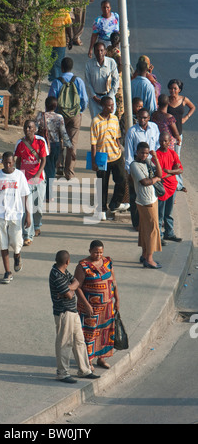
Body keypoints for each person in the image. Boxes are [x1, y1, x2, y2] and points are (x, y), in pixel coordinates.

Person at [49, 249, 99, 383]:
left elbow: (76, 283)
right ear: (67, 261)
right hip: (64, 312)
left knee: (79, 341)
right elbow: (70, 294)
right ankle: (62, 373)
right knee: (65, 343)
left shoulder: (63, 272)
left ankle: (84, 370)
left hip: (73, 311)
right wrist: (70, 289)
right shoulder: (56, 274)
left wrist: (68, 288)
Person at [74, 240, 120, 370]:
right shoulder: (83, 266)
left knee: (105, 332)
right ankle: (88, 360)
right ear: (90, 251)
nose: (98, 255)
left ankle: (102, 358)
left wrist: (117, 299)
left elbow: (114, 281)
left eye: (100, 252)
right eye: (95, 252)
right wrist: (86, 305)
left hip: (107, 306)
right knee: (89, 334)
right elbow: (77, 287)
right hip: (90, 308)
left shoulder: (107, 262)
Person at [0, 151, 31, 284]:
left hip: (16, 214)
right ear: (2, 162)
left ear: (14, 162)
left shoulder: (19, 176)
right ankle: (7, 272)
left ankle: (17, 255)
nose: (7, 165)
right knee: (3, 243)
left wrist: (28, 214)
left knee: (17, 242)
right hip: (0, 215)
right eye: (5, 162)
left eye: (10, 162)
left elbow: (26, 195)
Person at [48, 57, 88, 180]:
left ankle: (58, 166)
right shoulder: (78, 81)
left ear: (62, 68)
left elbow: (51, 100)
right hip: (75, 115)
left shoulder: (57, 82)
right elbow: (84, 100)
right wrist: (80, 111)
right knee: (72, 143)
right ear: (71, 67)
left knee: (59, 141)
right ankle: (69, 172)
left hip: (60, 116)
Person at [90, 96, 129, 220]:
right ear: (103, 106)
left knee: (122, 180)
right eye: (109, 105)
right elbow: (93, 143)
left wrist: (120, 149)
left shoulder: (115, 118)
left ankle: (114, 204)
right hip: (102, 157)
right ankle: (101, 209)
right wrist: (93, 161)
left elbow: (117, 137)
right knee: (102, 185)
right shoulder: (95, 121)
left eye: (112, 105)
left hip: (116, 156)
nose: (112, 107)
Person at [125, 108, 160, 229]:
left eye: (145, 118)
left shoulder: (154, 128)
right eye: (140, 117)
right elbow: (129, 152)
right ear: (137, 118)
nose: (142, 120)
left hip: (150, 163)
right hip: (137, 164)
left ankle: (152, 220)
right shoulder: (132, 131)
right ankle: (137, 223)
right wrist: (129, 171)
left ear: (149, 118)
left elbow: (157, 145)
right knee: (135, 195)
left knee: (152, 192)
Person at [14, 120, 47, 246]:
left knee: (38, 208)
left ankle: (37, 225)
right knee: (26, 208)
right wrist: (18, 175)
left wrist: (38, 174)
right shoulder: (20, 143)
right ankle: (28, 235)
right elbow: (18, 160)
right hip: (24, 179)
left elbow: (43, 160)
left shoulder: (40, 142)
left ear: (35, 129)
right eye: (25, 127)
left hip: (38, 178)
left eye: (30, 127)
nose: (27, 129)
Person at [130, 142, 162, 268]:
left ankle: (144, 255)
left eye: (147, 153)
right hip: (146, 201)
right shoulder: (134, 165)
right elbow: (145, 182)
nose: (144, 155)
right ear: (136, 152)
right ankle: (149, 259)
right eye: (142, 152)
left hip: (150, 199)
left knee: (144, 228)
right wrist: (156, 180)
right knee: (153, 230)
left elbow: (159, 173)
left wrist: (155, 159)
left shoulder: (148, 162)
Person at [35, 96, 72, 200]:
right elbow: (63, 133)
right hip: (55, 146)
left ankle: (43, 193)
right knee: (51, 170)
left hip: (42, 145)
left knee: (43, 168)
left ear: (46, 105)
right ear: (55, 106)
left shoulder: (40, 116)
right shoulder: (59, 117)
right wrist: (70, 146)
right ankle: (49, 194)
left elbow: (35, 130)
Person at [167, 78, 196, 192]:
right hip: (168, 135)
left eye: (175, 88)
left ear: (179, 89)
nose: (172, 90)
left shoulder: (184, 99)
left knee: (176, 158)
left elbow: (193, 107)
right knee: (168, 158)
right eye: (171, 88)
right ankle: (170, 181)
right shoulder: (167, 100)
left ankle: (179, 184)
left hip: (178, 134)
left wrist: (186, 117)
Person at [155, 132, 183, 245]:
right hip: (162, 188)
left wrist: (170, 171)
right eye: (161, 141)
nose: (163, 143)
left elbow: (180, 170)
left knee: (169, 212)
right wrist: (173, 171)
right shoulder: (156, 155)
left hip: (172, 187)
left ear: (169, 142)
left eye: (165, 141)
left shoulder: (173, 153)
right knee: (160, 214)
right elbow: (159, 174)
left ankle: (169, 233)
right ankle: (159, 236)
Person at [85, 41, 119, 119]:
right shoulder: (89, 64)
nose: (99, 53)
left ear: (105, 52)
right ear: (94, 52)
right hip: (95, 99)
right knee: (96, 122)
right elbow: (88, 82)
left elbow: (116, 80)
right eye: (97, 50)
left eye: (101, 50)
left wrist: (110, 96)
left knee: (109, 121)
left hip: (108, 96)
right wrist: (94, 97)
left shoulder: (111, 62)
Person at [46, 8, 73, 82]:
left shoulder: (64, 12)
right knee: (51, 62)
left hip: (60, 43)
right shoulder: (45, 12)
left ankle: (57, 79)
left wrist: (71, 39)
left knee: (58, 62)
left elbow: (68, 26)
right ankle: (53, 79)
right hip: (48, 43)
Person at [106, 31, 124, 120]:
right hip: (117, 79)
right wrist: (118, 73)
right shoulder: (117, 52)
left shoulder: (108, 49)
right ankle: (119, 121)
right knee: (120, 102)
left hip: (109, 78)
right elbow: (120, 63)